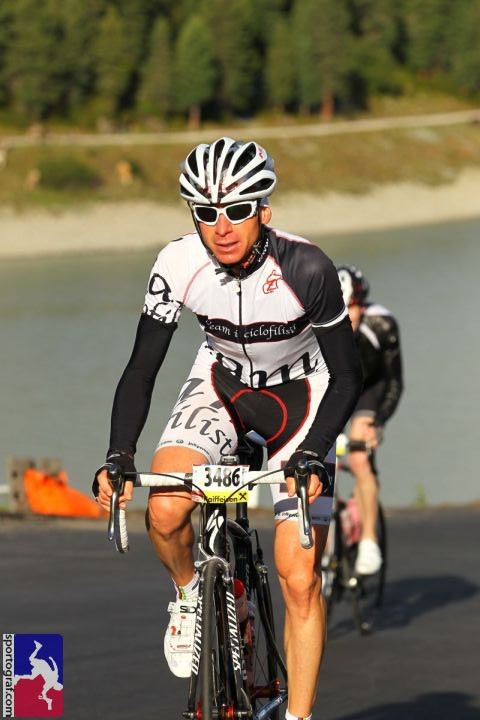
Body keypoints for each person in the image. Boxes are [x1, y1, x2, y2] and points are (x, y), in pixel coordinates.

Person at [94, 137, 362, 720]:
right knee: (166, 509)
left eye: (237, 210)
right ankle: (190, 593)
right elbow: (141, 368)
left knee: (299, 576)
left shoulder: (307, 268)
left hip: (303, 399)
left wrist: (315, 452)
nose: (221, 227)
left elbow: (349, 375)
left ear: (264, 209)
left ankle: (299, 717)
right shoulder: (177, 263)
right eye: (205, 212)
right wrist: (118, 454)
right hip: (222, 387)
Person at [337, 265, 403, 575]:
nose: (345, 317)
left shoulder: (382, 325)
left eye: (350, 309)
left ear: (362, 306)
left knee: (359, 457)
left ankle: (368, 541)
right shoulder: (315, 325)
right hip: (335, 388)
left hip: (370, 389)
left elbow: (395, 382)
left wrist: (378, 423)